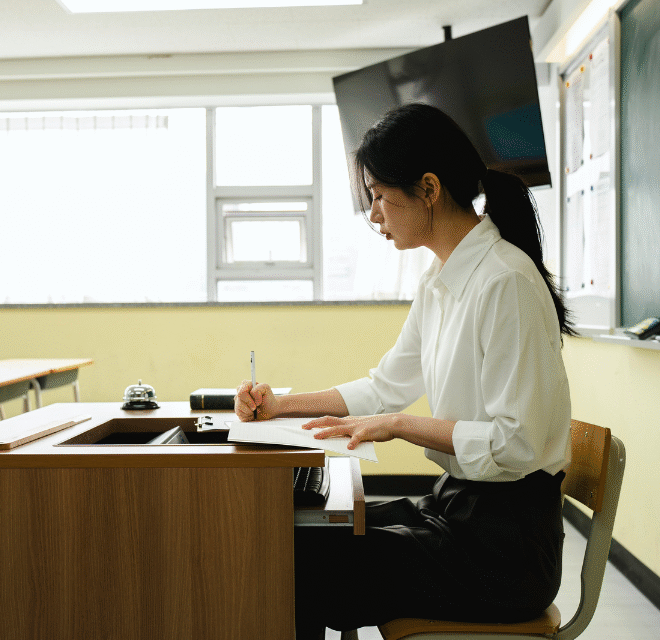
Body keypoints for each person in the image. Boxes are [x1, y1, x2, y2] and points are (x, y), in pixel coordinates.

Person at [234, 103, 576, 639]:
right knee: (300, 536)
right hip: (463, 511)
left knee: (295, 561)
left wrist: (399, 424)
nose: (374, 215)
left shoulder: (504, 282)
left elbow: (518, 445)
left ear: (429, 189)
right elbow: (384, 387)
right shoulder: (442, 280)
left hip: (505, 550)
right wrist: (281, 405)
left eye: (378, 196)